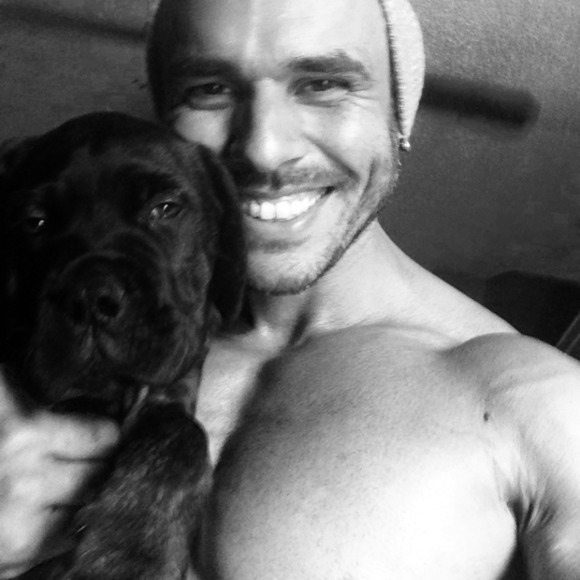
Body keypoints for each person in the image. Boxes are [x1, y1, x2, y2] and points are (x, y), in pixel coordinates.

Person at [2, 0, 580, 578]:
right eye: (209, 89)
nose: (264, 147)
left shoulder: (533, 403)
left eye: (323, 84)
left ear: (398, 116)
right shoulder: (52, 336)